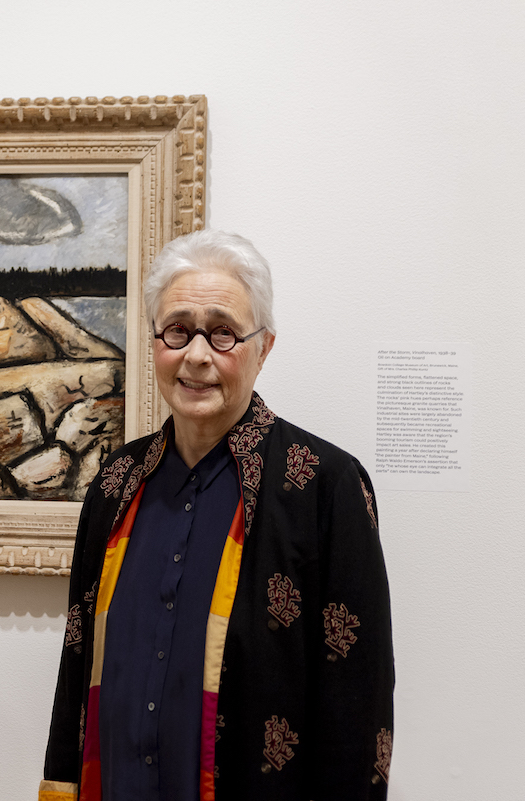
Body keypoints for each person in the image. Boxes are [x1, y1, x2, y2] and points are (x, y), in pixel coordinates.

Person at [39, 230, 393, 801]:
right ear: (155, 341)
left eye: (223, 333)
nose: (196, 356)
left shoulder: (325, 487)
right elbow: (77, 665)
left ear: (264, 346)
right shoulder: (114, 484)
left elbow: (358, 698)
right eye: (177, 330)